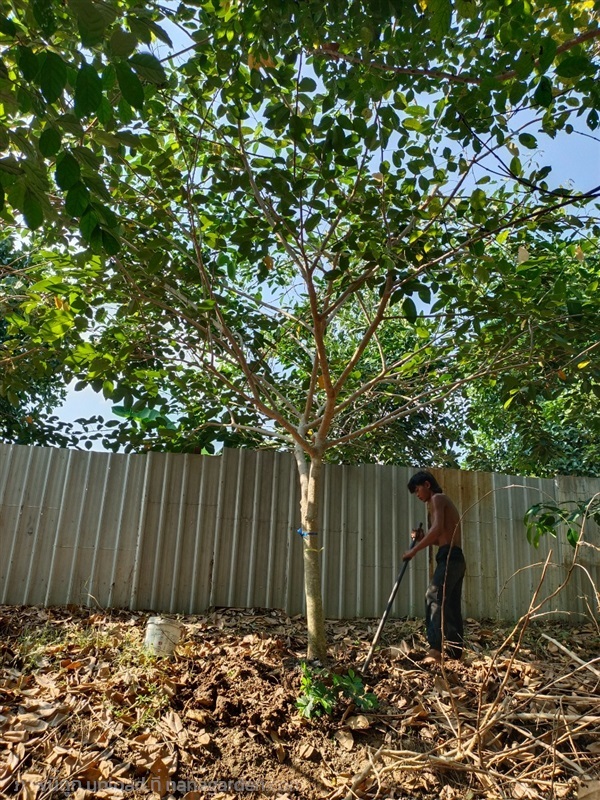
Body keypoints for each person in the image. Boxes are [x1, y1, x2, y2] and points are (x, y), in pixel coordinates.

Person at [403, 470, 466, 664]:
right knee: (450, 603)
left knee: (434, 596)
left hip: (449, 557)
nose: (418, 495)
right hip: (453, 557)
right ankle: (456, 652)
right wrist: (422, 538)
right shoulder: (439, 502)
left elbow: (437, 530)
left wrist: (413, 551)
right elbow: (440, 538)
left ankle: (435, 650)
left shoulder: (437, 499)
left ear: (427, 485)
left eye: (417, 490)